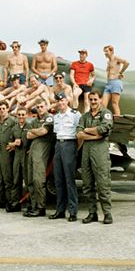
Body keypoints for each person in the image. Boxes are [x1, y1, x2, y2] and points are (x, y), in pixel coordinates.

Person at [76, 91, 114, 224]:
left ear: (100, 100)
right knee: (87, 185)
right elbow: (79, 134)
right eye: (90, 99)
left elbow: (104, 128)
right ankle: (92, 213)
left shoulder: (106, 113)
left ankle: (107, 213)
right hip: (86, 152)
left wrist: (87, 130)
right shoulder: (85, 116)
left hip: (100, 152)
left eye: (95, 99)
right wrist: (93, 133)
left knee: (103, 183)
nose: (93, 102)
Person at [50, 92, 81, 221]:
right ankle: (60, 210)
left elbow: (80, 134)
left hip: (70, 144)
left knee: (69, 180)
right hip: (58, 145)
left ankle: (73, 211)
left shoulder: (75, 115)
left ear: (67, 101)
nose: (60, 103)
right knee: (58, 180)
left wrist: (75, 149)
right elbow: (56, 133)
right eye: (58, 101)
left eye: (62, 100)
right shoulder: (56, 117)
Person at [24, 99, 54, 218]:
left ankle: (41, 207)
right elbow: (28, 135)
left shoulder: (49, 118)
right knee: (30, 178)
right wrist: (35, 132)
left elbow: (44, 131)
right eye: (38, 107)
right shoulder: (35, 120)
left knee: (38, 179)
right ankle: (33, 204)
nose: (40, 109)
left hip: (42, 149)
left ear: (46, 107)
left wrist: (33, 131)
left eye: (42, 106)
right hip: (33, 149)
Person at [0, 101, 16, 209]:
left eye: (3, 108)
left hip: (7, 152)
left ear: (7, 109)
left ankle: (9, 201)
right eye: (0, 108)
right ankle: (0, 200)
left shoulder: (12, 121)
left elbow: (17, 133)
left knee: (7, 178)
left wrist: (14, 145)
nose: (1, 110)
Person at [6, 107, 29, 212]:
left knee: (28, 181)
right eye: (19, 114)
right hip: (17, 156)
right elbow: (9, 143)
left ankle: (30, 204)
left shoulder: (30, 127)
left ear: (27, 115)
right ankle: (15, 203)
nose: (21, 117)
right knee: (16, 180)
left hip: (26, 156)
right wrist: (14, 143)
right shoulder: (14, 128)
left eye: (23, 114)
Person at [102, 45, 130, 116]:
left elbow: (126, 62)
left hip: (116, 82)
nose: (105, 53)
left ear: (111, 51)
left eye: (106, 51)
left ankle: (118, 118)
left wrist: (121, 72)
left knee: (114, 103)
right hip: (108, 84)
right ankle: (103, 119)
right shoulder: (108, 62)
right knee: (103, 104)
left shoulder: (116, 58)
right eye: (104, 51)